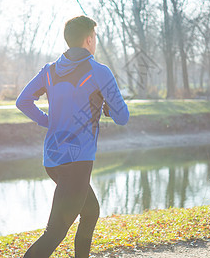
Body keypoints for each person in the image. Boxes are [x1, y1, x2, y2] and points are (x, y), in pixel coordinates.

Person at [16, 15, 129, 258]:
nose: (95, 42)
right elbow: (122, 117)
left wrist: (48, 121)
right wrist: (107, 106)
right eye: (95, 38)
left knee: (90, 212)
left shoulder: (49, 71)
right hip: (77, 163)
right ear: (89, 40)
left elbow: (23, 101)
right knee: (55, 232)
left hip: (53, 161)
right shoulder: (99, 71)